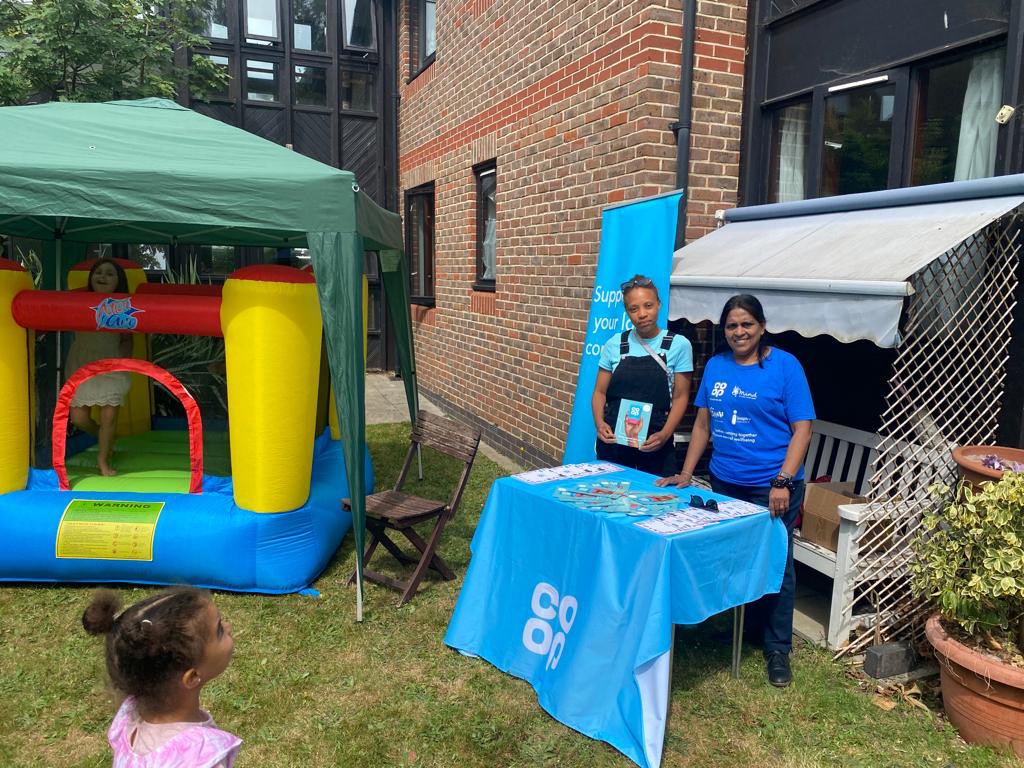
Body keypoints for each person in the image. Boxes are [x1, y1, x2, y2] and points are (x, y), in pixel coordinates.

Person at [656, 294, 814, 688]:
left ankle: (777, 648)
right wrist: (687, 472)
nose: (739, 332)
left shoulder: (785, 367)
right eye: (731, 326)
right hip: (726, 484)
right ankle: (742, 629)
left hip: (771, 487)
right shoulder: (716, 366)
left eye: (746, 324)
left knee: (777, 563)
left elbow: (802, 430)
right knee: (735, 559)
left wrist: (783, 480)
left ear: (761, 326)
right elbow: (704, 426)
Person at [82, 588, 241, 768]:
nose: (229, 628)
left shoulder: (128, 718)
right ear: (192, 676)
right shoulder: (201, 757)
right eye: (219, 630)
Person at [591, 274, 693, 475]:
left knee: (657, 499)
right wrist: (599, 423)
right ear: (627, 312)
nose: (642, 314)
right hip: (615, 442)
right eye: (634, 309)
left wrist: (665, 434)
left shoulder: (678, 345)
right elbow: (599, 392)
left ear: (659, 304)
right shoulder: (614, 344)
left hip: (655, 442)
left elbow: (681, 397)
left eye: (648, 305)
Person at [66, 258, 133, 476]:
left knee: (109, 416)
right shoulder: (79, 301)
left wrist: (123, 357)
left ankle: (103, 461)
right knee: (79, 418)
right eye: (99, 272)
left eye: (109, 274)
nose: (102, 277)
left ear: (118, 281)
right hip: (82, 362)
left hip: (111, 363)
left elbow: (127, 338)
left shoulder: (123, 304)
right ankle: (107, 437)